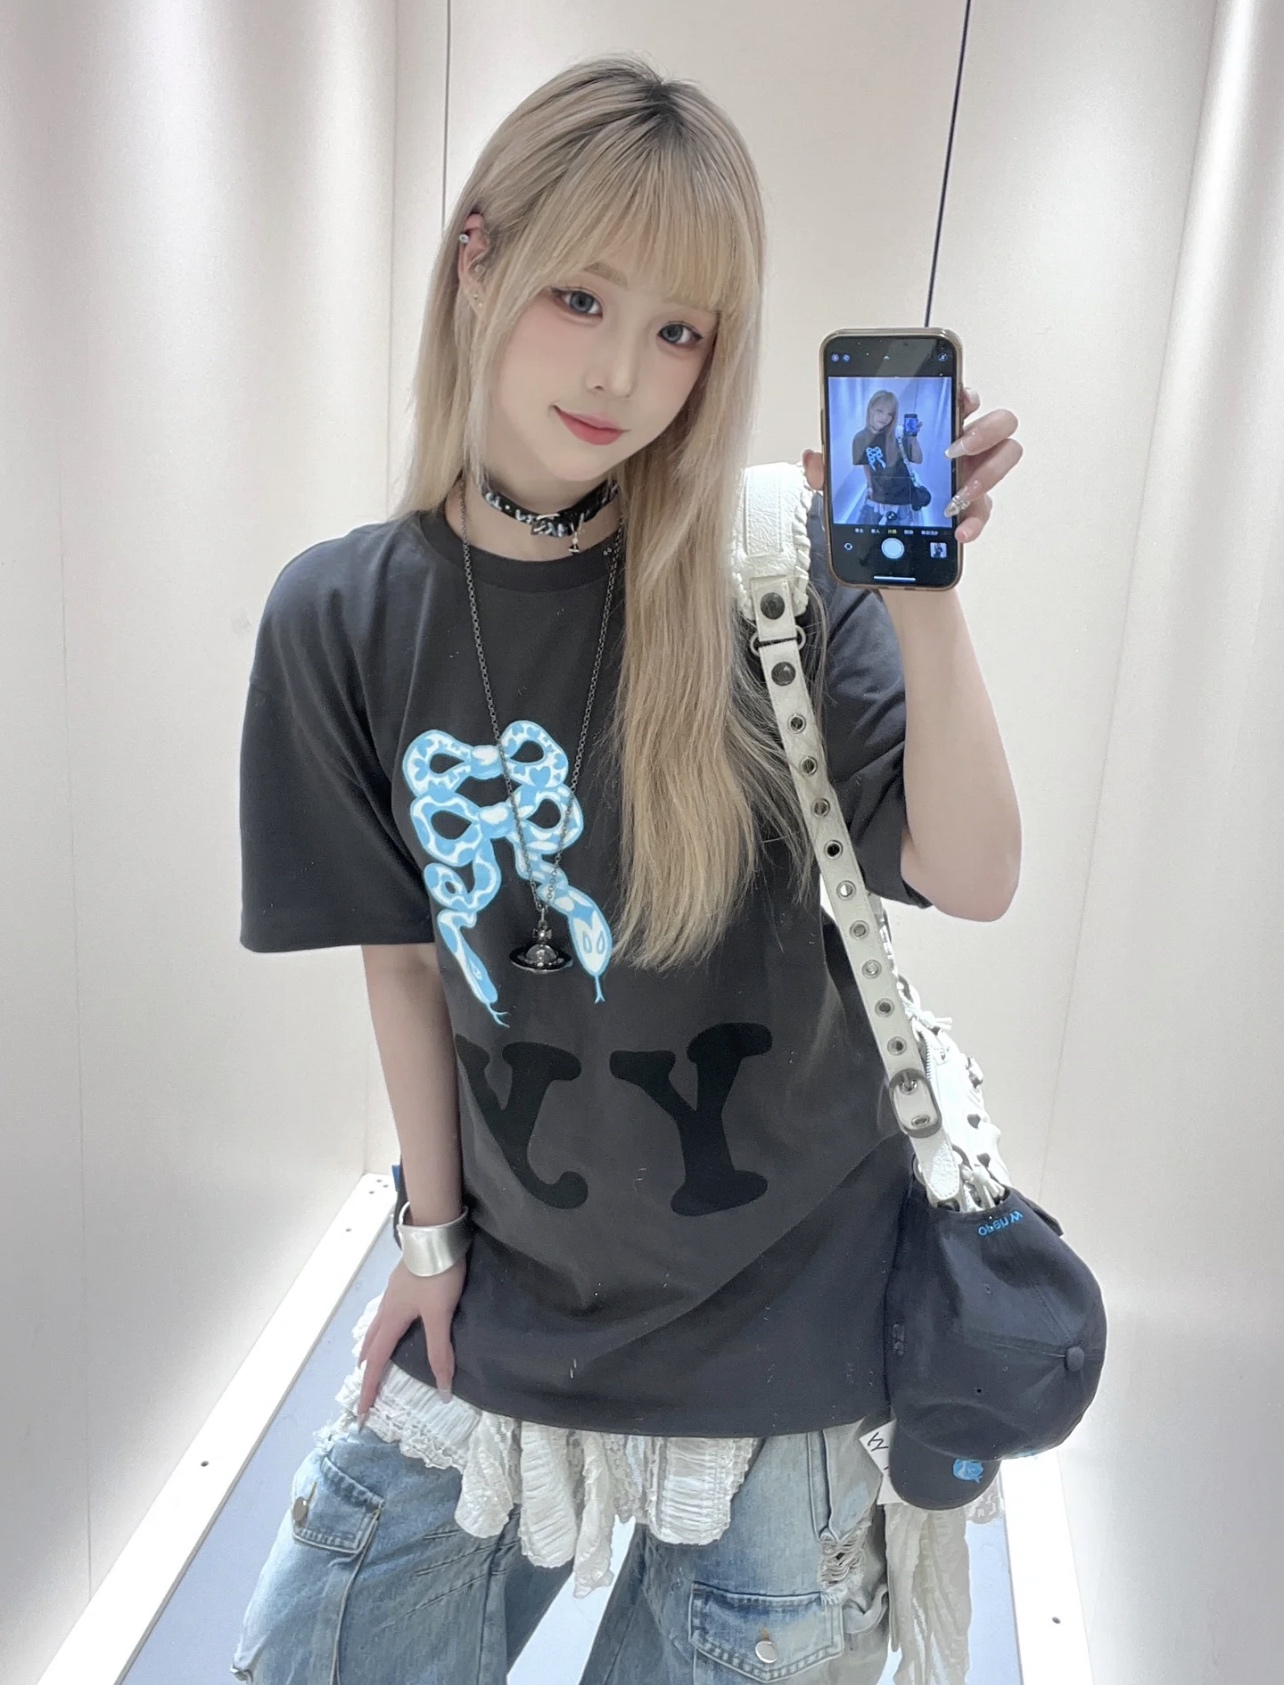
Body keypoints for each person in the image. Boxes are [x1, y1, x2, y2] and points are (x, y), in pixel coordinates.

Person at [233, 50, 1022, 1685]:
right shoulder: (341, 617)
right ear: (477, 260)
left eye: (679, 331)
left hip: (791, 1342)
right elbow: (403, 957)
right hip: (516, 1304)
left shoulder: (774, 575)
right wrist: (430, 1241)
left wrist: (923, 606)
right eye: (580, 296)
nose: (621, 372)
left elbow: (974, 867)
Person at [849, 391, 929, 527]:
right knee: (864, 535)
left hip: (902, 499)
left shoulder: (898, 434)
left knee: (902, 536)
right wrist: (870, 487)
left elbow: (918, 459)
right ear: (871, 409)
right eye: (880, 411)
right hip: (877, 499)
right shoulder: (860, 438)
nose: (885, 417)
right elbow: (866, 465)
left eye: (890, 413)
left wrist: (913, 439)